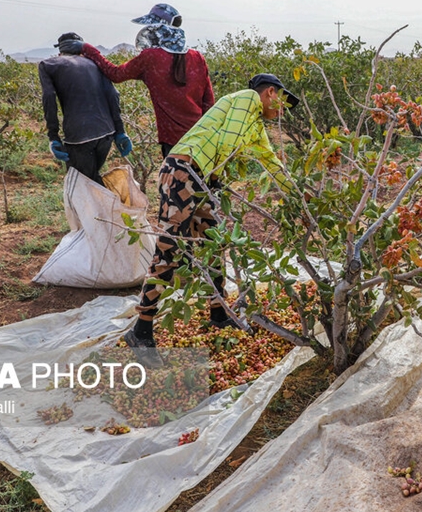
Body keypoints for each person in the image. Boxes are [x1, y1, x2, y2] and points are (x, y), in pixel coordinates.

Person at [123, 73, 299, 367]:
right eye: (283, 102)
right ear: (270, 92)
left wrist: (297, 197)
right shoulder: (245, 100)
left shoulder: (256, 125)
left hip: (202, 178)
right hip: (183, 170)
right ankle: (141, 329)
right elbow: (229, 140)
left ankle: (218, 314)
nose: (283, 110)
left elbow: (271, 162)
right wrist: (219, 177)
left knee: (214, 244)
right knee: (171, 247)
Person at [62, 3, 215, 158]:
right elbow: (209, 103)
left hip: (174, 141)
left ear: (157, 29)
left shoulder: (150, 58)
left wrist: (87, 48)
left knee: (175, 181)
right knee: (200, 181)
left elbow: (115, 74)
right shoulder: (197, 57)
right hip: (201, 137)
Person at [38, 32, 132, 185]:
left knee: (83, 185)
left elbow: (49, 98)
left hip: (78, 135)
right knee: (92, 179)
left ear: (60, 51)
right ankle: (109, 207)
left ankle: (109, 208)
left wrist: (53, 137)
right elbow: (113, 94)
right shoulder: (95, 63)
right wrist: (120, 131)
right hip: (106, 133)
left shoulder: (48, 65)